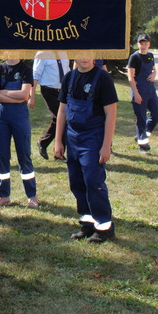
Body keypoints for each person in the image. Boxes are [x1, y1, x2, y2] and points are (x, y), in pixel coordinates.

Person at [54, 58, 118, 243]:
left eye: (88, 53)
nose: (84, 57)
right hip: (73, 138)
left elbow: (111, 113)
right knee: (77, 182)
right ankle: (87, 224)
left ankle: (104, 227)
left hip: (93, 138)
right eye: (80, 52)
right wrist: (59, 141)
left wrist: (106, 145)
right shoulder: (70, 78)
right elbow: (62, 111)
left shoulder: (103, 78)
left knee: (93, 182)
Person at [0, 58, 39, 208]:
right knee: (2, 156)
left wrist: (4, 93)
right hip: (1, 117)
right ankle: (3, 195)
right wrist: (15, 97)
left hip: (19, 117)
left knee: (24, 155)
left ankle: (32, 196)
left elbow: (24, 95)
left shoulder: (25, 69)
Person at [28, 52, 70, 159]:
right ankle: (53, 149)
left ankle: (54, 149)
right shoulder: (42, 54)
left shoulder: (63, 52)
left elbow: (67, 71)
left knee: (63, 119)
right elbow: (35, 75)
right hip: (49, 90)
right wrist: (31, 96)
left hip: (63, 90)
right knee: (61, 118)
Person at [128, 34, 158, 152]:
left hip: (150, 90)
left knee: (157, 115)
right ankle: (142, 145)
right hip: (139, 90)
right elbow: (130, 77)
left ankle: (142, 135)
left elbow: (154, 68)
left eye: (145, 43)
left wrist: (154, 74)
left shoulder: (151, 56)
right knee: (141, 118)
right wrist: (136, 94)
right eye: (141, 43)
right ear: (138, 44)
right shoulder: (134, 57)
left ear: (149, 44)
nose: (143, 45)